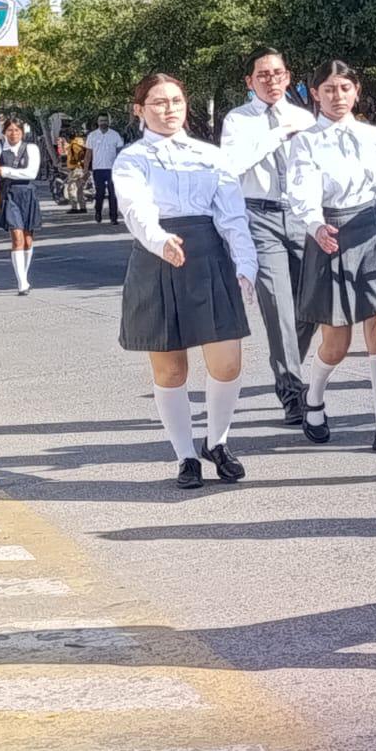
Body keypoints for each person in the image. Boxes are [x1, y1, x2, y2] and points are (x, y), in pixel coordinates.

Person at [113, 72, 257, 489]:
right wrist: (160, 240)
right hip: (158, 258)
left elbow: (232, 215)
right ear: (139, 109)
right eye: (158, 102)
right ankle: (185, 455)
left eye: (176, 101)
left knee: (227, 361)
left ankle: (219, 441)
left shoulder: (209, 155)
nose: (169, 109)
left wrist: (245, 263)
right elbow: (136, 209)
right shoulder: (131, 159)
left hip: (208, 254)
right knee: (171, 370)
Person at [287, 61, 376, 453]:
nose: (337, 96)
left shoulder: (374, 136)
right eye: (328, 89)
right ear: (315, 94)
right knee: (336, 342)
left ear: (356, 91)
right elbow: (301, 194)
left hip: (372, 229)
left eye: (344, 88)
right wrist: (315, 226)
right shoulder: (305, 141)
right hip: (331, 232)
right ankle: (314, 397)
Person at [219, 48, 318, 426]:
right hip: (259, 216)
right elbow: (234, 165)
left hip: (300, 214)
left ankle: (289, 362)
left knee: (311, 304)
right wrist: (275, 134)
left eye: (277, 74)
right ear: (249, 82)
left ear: (288, 76)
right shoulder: (238, 120)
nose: (271, 80)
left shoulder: (304, 117)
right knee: (277, 307)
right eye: (262, 75)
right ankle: (292, 391)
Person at [0, 118, 41, 295]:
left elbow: (31, 172)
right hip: (9, 195)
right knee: (17, 237)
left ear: (22, 132)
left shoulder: (31, 148)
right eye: (10, 130)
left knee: (28, 240)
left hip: (27, 194)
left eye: (16, 130)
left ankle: (25, 275)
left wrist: (4, 171)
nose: (13, 133)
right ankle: (22, 283)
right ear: (4, 132)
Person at [85, 114, 124, 223]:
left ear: (108, 122)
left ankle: (114, 217)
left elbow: (120, 153)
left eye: (105, 120)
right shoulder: (92, 136)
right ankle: (98, 212)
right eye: (101, 121)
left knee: (113, 193)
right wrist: (85, 169)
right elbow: (88, 154)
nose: (103, 122)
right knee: (99, 193)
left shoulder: (115, 135)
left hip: (112, 169)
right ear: (98, 122)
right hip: (98, 169)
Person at [64, 126, 89, 213]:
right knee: (80, 188)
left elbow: (81, 154)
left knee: (71, 188)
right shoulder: (79, 143)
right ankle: (83, 207)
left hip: (75, 169)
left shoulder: (74, 145)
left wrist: (76, 162)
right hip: (80, 168)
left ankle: (74, 207)